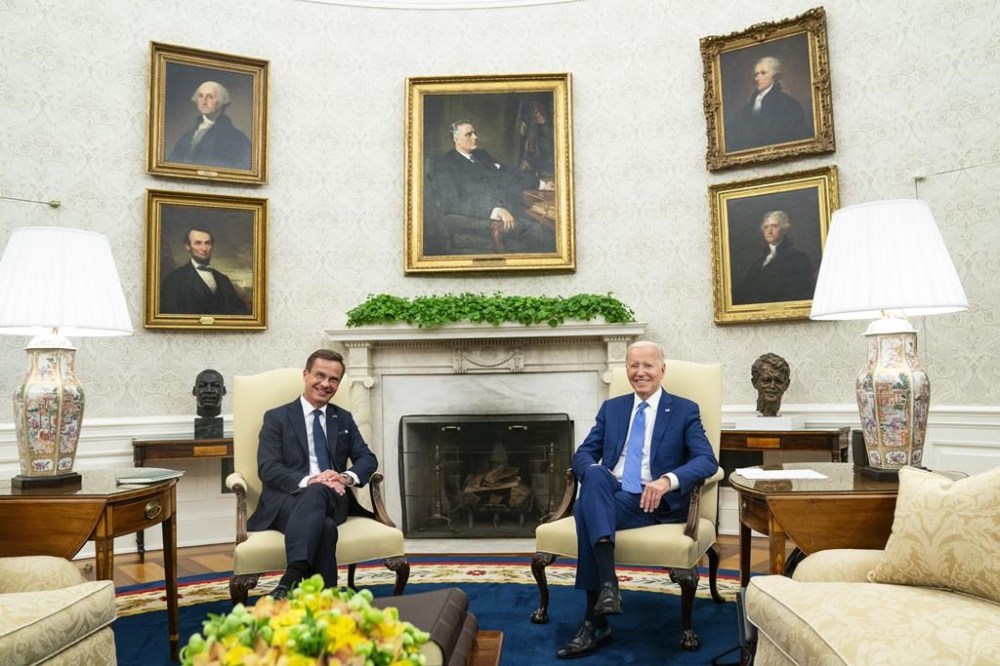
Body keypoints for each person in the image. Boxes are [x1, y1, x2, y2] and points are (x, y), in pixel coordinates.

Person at [557, 341, 718, 659]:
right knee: (597, 477)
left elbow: (706, 460)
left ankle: (594, 620)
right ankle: (608, 586)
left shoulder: (684, 409)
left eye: (647, 365)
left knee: (586, 510)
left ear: (662, 369)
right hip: (611, 491)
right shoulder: (612, 408)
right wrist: (591, 470)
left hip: (651, 501)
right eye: (633, 366)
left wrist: (667, 481)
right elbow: (585, 453)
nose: (640, 372)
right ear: (626, 369)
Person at [246, 349, 378, 598]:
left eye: (334, 379)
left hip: (334, 499)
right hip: (287, 502)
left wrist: (345, 478)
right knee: (325, 528)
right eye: (320, 375)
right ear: (306, 375)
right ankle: (325, 602)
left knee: (321, 491)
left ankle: (291, 577)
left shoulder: (343, 418)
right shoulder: (277, 418)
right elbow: (268, 467)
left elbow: (367, 459)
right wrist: (312, 480)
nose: (326, 384)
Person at [433, 119, 556, 254]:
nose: (475, 137)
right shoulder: (445, 165)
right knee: (545, 238)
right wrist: (496, 211)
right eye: (469, 134)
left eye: (475, 133)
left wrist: (541, 184)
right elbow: (453, 203)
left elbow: (509, 173)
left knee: (550, 229)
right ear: (456, 140)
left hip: (514, 211)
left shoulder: (482, 155)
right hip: (487, 221)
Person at [725, 56, 811, 153]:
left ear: (774, 76)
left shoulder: (789, 105)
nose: (758, 78)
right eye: (756, 74)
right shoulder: (745, 110)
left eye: (763, 73)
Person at [160, 227, 250, 316]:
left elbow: (240, 313)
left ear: (212, 246)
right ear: (188, 246)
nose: (204, 248)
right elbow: (170, 316)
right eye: (198, 243)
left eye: (207, 243)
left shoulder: (223, 280)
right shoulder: (174, 280)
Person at [732, 211, 815, 305]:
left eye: (774, 226)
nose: (769, 231)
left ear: (784, 230)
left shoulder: (799, 259)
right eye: (766, 227)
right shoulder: (759, 261)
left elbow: (800, 293)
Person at [168, 81, 252, 170]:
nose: (204, 102)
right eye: (200, 96)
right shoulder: (188, 136)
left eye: (210, 97)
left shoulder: (236, 138)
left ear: (221, 101)